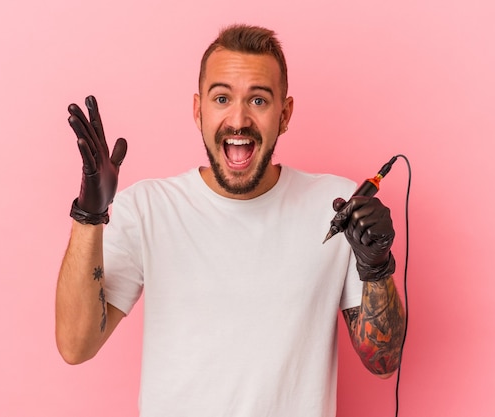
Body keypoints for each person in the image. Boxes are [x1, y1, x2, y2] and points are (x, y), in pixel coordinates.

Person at [56, 24, 405, 417]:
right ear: (198, 109)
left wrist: (375, 267)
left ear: (285, 114)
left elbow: (384, 362)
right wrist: (89, 215)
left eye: (258, 100)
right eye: (222, 98)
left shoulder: (337, 208)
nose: (238, 119)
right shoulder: (149, 208)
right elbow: (75, 345)